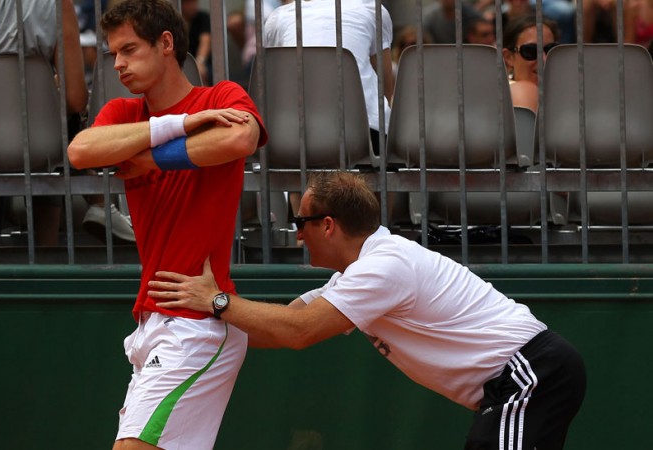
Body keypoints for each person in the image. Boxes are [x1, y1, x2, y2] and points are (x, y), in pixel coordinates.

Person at [148, 171, 587, 450]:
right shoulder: (357, 274)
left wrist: (217, 301)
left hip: (531, 375)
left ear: (327, 225)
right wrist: (194, 321)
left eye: (300, 223)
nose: (297, 236)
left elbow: (297, 331)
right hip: (514, 382)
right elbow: (275, 329)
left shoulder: (383, 268)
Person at [67, 0, 267, 449]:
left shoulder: (221, 96)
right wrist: (181, 125)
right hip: (150, 324)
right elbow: (80, 151)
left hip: (195, 322)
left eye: (130, 50)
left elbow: (241, 136)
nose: (118, 63)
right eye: (113, 52)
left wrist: (152, 157)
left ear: (166, 44)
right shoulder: (123, 112)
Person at [0, 0, 88, 246]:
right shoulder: (59, 5)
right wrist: (47, 88)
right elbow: (75, 98)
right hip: (40, 147)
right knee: (57, 132)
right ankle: (45, 253)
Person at [264, 0, 394, 217]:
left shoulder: (279, 17)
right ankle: (379, 233)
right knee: (385, 146)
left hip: (294, 137)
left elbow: (273, 80)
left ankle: (305, 237)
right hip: (362, 136)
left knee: (297, 164)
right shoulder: (372, 11)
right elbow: (386, 88)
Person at [502, 14, 560, 112]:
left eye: (550, 49)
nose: (544, 59)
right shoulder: (523, 89)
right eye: (530, 51)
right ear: (509, 57)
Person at [181, 0, 212, 85]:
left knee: (200, 71)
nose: (194, 6)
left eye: (195, 2)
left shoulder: (203, 17)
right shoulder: (173, 21)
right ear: (181, 4)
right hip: (182, 64)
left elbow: (205, 42)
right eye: (190, 2)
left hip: (203, 63)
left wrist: (200, 62)